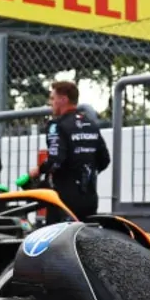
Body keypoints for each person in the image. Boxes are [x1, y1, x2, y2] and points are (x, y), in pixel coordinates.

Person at [32, 81, 109, 221]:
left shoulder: (56, 125)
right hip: (89, 198)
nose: (51, 103)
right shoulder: (90, 124)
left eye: (53, 98)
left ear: (63, 99)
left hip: (63, 200)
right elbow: (104, 160)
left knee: (55, 241)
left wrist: (38, 170)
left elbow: (55, 161)